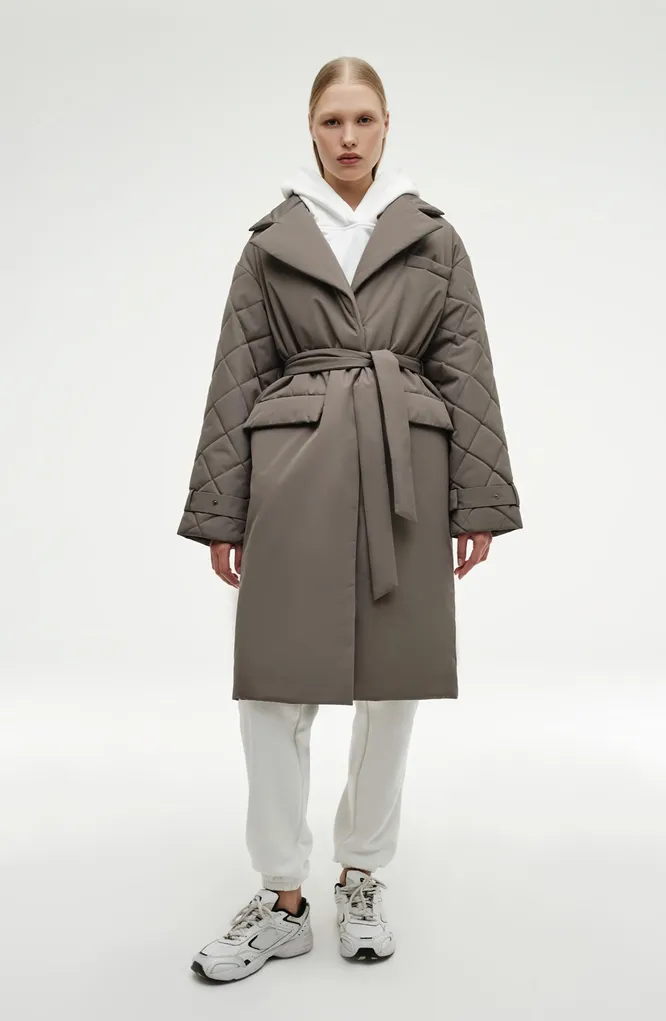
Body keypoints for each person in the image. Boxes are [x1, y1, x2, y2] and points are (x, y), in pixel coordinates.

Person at [177, 55, 523, 983]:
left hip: (407, 464)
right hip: (291, 472)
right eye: (332, 120)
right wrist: (222, 510)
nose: (348, 137)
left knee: (394, 684)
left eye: (363, 118)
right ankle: (282, 895)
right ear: (311, 128)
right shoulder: (270, 242)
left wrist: (479, 499)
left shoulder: (434, 237)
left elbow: (467, 370)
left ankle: (361, 873)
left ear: (386, 125)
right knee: (271, 687)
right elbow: (236, 375)